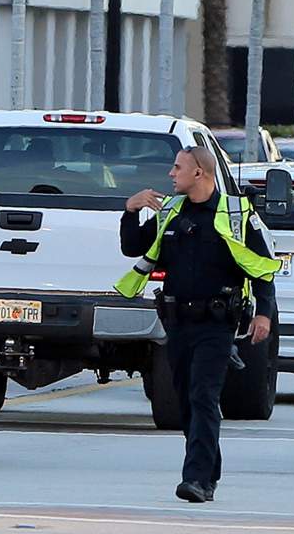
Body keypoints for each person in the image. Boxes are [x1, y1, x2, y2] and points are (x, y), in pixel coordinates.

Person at [115, 144, 279, 503]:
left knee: (204, 396)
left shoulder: (236, 215)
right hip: (178, 323)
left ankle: (197, 479)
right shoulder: (170, 212)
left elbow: (262, 268)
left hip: (216, 323)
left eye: (177, 168)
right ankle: (209, 470)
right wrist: (130, 210)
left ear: (198, 173)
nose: (171, 174)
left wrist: (264, 312)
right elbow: (133, 248)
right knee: (187, 402)